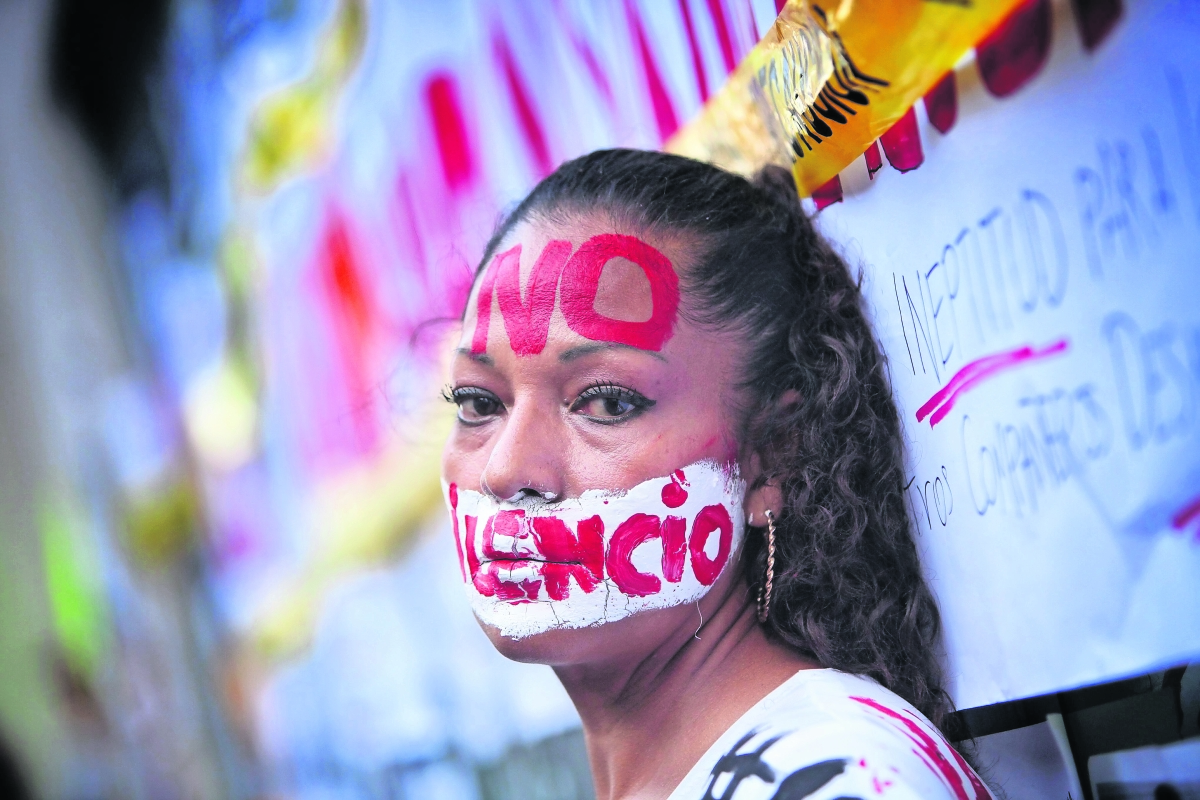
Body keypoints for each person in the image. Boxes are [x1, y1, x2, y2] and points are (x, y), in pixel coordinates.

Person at [441, 149, 994, 800]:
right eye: (479, 404)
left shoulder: (837, 778)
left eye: (608, 402)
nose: (507, 470)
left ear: (771, 455)